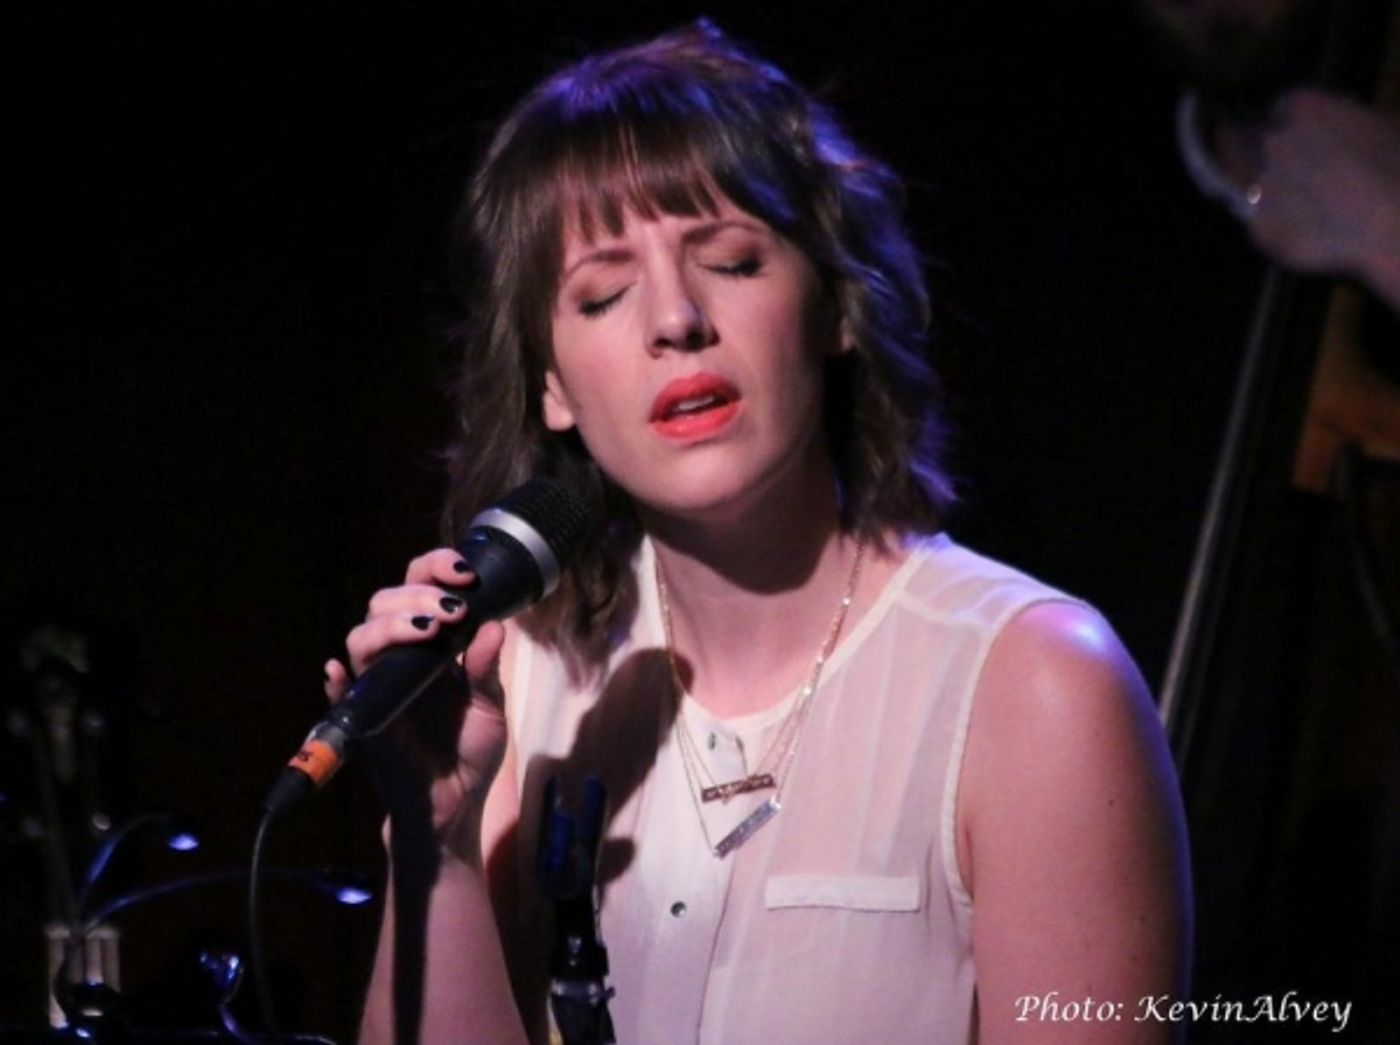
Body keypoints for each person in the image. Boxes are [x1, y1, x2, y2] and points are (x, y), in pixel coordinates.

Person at [323, 21, 1191, 1044]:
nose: (675, 319)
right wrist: (437, 845)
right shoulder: (523, 678)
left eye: (730, 261)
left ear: (835, 306)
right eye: (602, 294)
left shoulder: (1034, 682)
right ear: (551, 386)